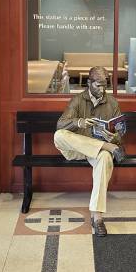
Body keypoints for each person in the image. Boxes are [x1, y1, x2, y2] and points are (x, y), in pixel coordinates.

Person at [54, 66, 126, 237]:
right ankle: (105, 148)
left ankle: (97, 217)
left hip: (99, 148)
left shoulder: (112, 102)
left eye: (104, 86)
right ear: (89, 83)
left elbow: (119, 135)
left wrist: (112, 138)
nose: (102, 90)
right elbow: (60, 124)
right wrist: (79, 123)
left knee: (105, 159)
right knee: (58, 135)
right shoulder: (78, 100)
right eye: (98, 86)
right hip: (77, 148)